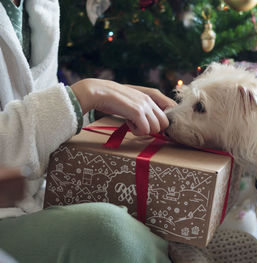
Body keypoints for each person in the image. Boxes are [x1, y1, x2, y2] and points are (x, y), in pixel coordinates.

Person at [0, 0, 176, 262]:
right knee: (111, 231)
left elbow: (31, 112)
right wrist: (84, 95)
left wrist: (97, 111)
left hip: (25, 203)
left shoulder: (39, 6)